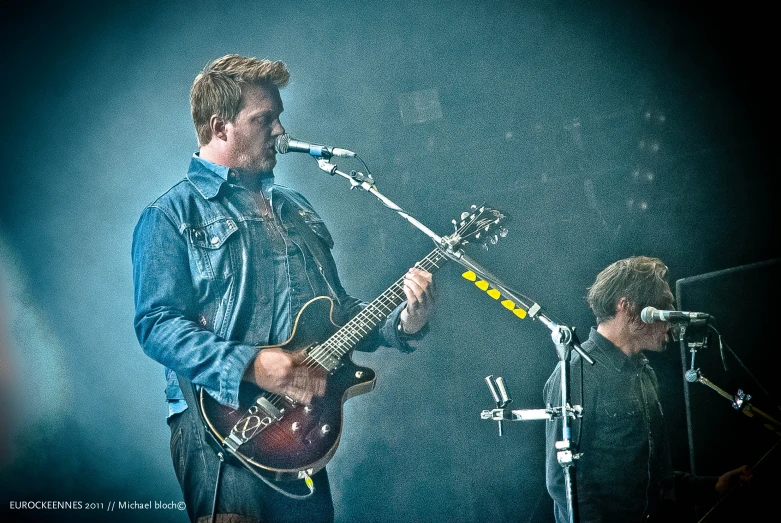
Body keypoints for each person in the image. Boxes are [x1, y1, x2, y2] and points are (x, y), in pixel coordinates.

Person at [131, 54, 435, 523]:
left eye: (279, 118)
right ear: (220, 126)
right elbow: (157, 325)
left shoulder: (296, 207)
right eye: (263, 119)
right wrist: (252, 365)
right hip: (222, 430)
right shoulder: (171, 216)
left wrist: (402, 322)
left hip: (300, 430)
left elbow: (336, 311)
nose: (279, 131)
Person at [544, 256, 750, 523]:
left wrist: (711, 486)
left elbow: (651, 474)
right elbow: (562, 482)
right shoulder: (576, 372)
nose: (672, 319)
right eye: (664, 306)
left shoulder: (644, 372)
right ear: (627, 306)